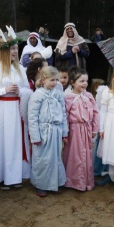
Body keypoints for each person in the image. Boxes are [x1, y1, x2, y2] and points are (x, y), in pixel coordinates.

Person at [0, 31, 31, 190]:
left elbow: (27, 89)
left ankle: (15, 176)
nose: (15, 51)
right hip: (2, 109)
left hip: (17, 108)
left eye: (16, 48)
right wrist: (4, 90)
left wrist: (20, 92)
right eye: (11, 48)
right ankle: (2, 177)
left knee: (16, 141)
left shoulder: (21, 68)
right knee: (3, 141)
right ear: (4, 50)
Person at [28, 67, 68, 197]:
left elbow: (63, 113)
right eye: (52, 80)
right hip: (43, 132)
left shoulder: (58, 94)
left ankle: (54, 183)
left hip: (55, 131)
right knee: (43, 159)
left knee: (55, 158)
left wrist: (64, 132)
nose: (55, 82)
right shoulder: (37, 95)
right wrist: (35, 136)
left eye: (57, 80)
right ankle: (41, 185)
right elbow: (32, 117)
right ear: (44, 79)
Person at [63, 70, 99, 192]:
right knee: (75, 155)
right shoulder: (67, 98)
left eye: (86, 81)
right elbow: (65, 116)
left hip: (87, 129)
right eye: (81, 81)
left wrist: (95, 128)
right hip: (74, 130)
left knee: (86, 155)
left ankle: (86, 182)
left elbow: (95, 112)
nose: (85, 84)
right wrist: (65, 132)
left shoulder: (88, 96)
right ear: (72, 82)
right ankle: (74, 181)